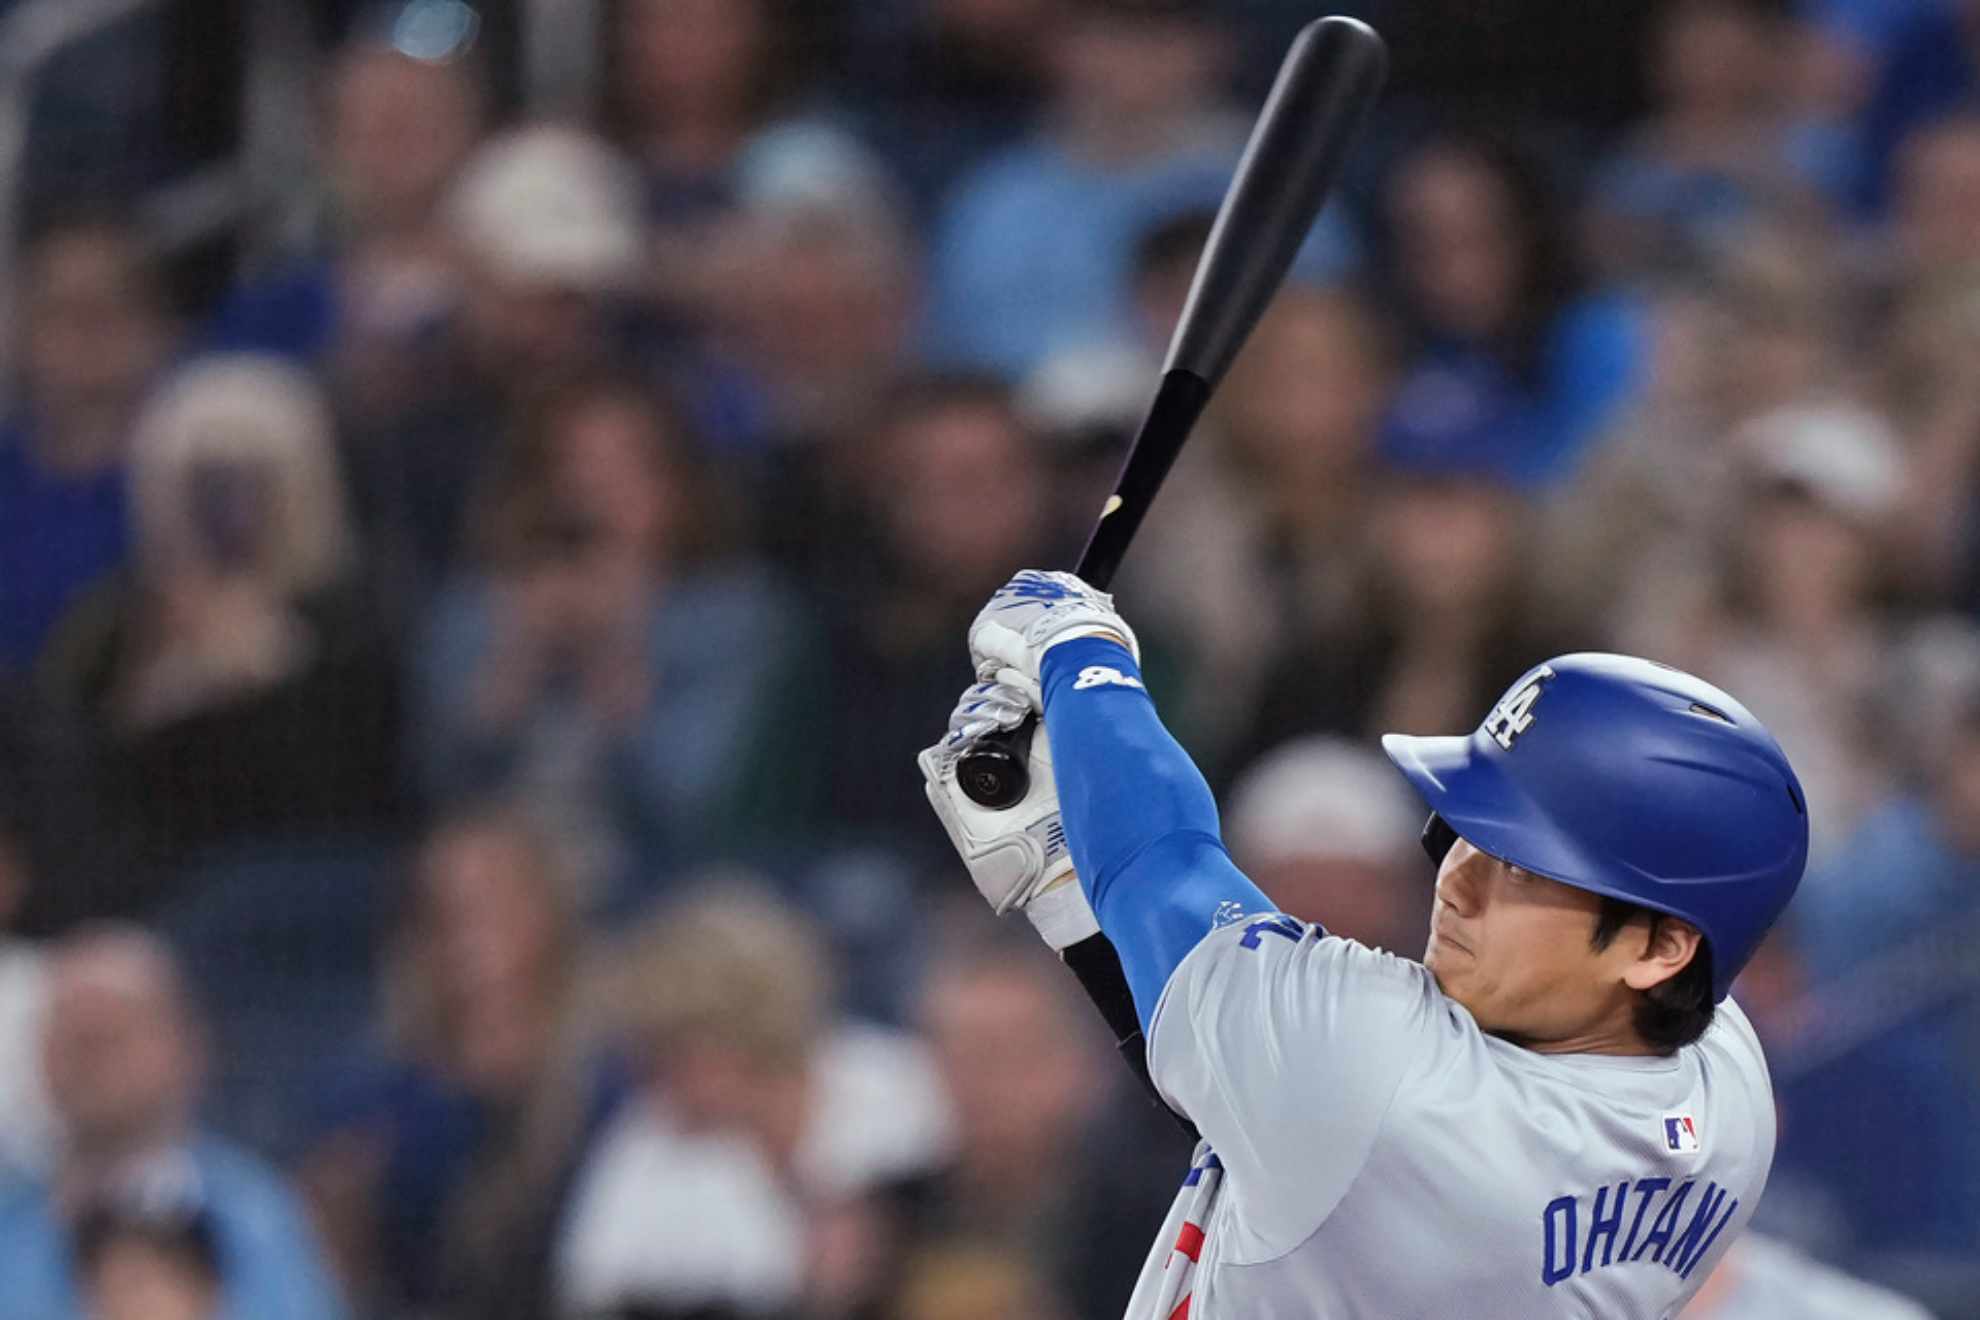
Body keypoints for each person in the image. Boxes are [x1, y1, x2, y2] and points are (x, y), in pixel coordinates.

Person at [919, 571, 1809, 1317]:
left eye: (1527, 868)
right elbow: (1260, 1110)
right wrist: (1075, 901)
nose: (1457, 881)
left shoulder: (1390, 1079)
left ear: (1660, 950)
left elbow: (1160, 859)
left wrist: (1079, 652)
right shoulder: (1727, 1086)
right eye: (1468, 832)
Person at [0, 925, 346, 1320]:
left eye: (110, 1036)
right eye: (71, 1039)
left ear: (181, 1044)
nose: (89, 1064)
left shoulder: (258, 1216)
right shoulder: (7, 1219)